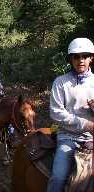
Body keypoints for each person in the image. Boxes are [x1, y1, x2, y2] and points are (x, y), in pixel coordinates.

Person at [47, 38, 94, 192]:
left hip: (92, 138)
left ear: (91, 58)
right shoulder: (61, 82)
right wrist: (86, 124)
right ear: (70, 59)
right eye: (76, 56)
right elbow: (56, 113)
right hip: (69, 137)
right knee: (58, 177)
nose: (81, 60)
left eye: (85, 56)